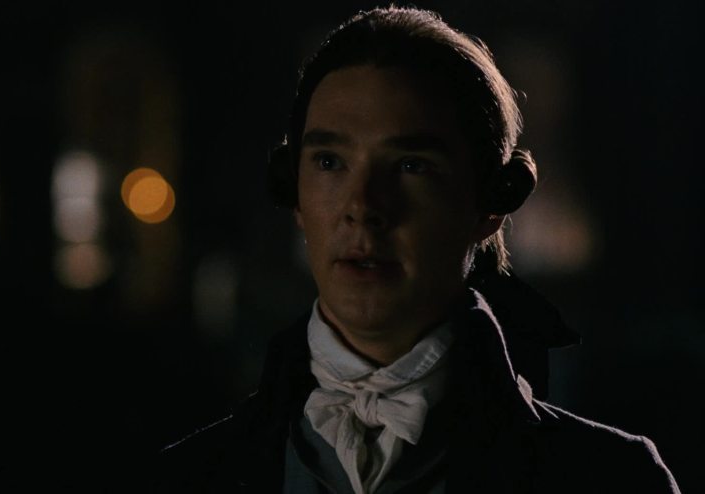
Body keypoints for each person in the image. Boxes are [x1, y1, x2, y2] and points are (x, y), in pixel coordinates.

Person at [154, 6, 680, 493]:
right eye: (330, 162)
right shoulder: (185, 479)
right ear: (295, 192)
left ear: (489, 204)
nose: (362, 206)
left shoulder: (611, 479)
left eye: (411, 165)